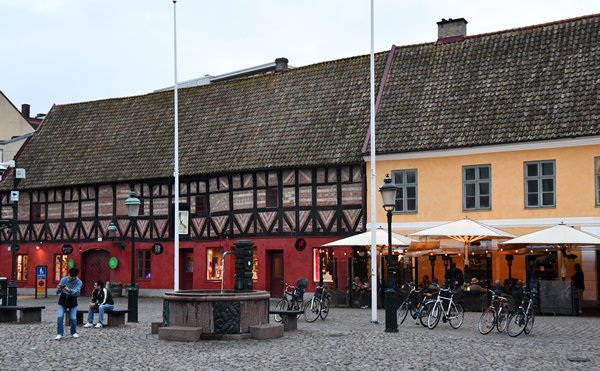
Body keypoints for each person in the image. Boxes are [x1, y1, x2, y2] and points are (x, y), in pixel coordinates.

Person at [55, 267, 83, 340]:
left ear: (76, 276)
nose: (70, 278)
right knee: (60, 317)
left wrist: (68, 290)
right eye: (70, 275)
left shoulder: (79, 282)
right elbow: (57, 292)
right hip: (63, 300)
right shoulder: (64, 279)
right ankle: (59, 333)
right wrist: (59, 289)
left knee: (73, 318)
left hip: (72, 301)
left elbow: (76, 293)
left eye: (72, 277)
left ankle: (73, 332)